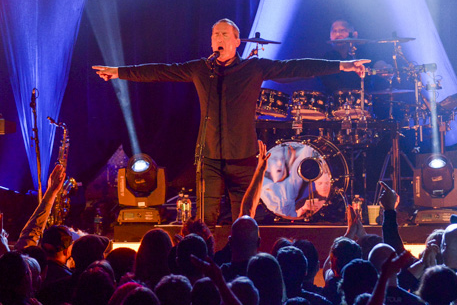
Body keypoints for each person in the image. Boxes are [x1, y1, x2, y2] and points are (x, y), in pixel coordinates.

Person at [94, 18, 368, 224]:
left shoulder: (253, 68)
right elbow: (161, 71)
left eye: (225, 34)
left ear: (237, 42)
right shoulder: (202, 69)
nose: (219, 38)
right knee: (205, 220)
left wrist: (342, 65)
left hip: (244, 157)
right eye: (215, 34)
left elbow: (296, 66)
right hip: (209, 157)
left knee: (243, 220)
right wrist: (119, 72)